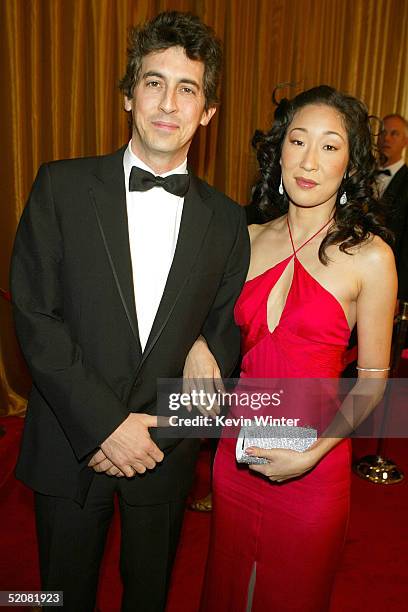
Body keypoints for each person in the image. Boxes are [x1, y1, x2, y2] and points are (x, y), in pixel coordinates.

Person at [10, 11, 249, 612]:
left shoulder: (227, 220)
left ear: (208, 111)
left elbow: (222, 342)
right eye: (153, 81)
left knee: (150, 596)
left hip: (164, 454)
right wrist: (105, 426)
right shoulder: (60, 188)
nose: (169, 102)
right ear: (127, 95)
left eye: (187, 88)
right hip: (71, 441)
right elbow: (35, 318)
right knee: (58, 597)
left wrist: (159, 432)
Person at [186, 85, 397, 611]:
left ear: (350, 163)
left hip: (316, 463)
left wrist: (314, 453)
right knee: (227, 591)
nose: (309, 161)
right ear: (278, 151)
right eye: (298, 141)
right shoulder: (247, 238)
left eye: (329, 146)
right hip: (235, 459)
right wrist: (194, 344)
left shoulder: (371, 258)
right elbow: (191, 316)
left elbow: (373, 379)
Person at [377, 114, 408, 301]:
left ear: (405, 141)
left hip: (390, 281)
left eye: (394, 134)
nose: (386, 138)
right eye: (383, 132)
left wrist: (400, 295)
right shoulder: (362, 177)